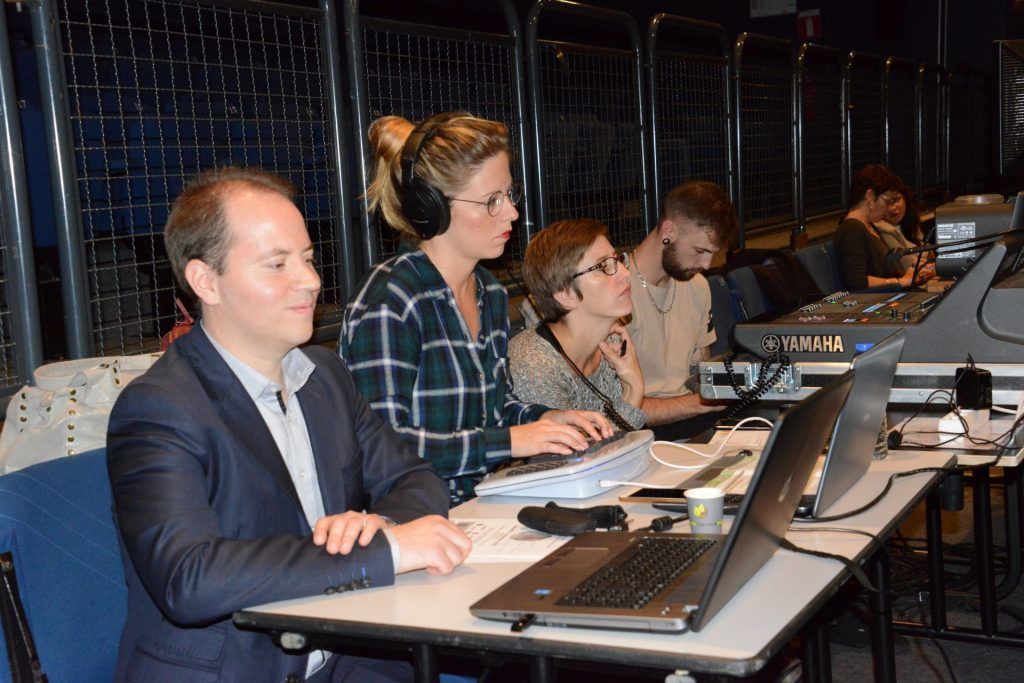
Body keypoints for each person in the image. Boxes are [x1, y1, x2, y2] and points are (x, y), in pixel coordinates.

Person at [107, 167, 471, 682]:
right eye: (276, 264)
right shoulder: (158, 408)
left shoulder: (323, 376)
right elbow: (189, 581)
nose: (310, 281)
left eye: (306, 258)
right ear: (205, 281)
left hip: (346, 656)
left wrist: (380, 524)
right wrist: (383, 552)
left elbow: (414, 479)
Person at [340, 112, 611, 504]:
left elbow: (492, 411)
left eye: (509, 195)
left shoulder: (490, 292)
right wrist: (510, 441)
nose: (512, 214)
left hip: (483, 506)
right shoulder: (390, 300)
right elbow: (381, 447)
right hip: (417, 519)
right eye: (491, 202)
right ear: (433, 207)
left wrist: (543, 419)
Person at [509, 218, 647, 432]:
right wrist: (634, 390)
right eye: (603, 266)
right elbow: (581, 459)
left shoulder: (612, 342)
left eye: (618, 260)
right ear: (566, 294)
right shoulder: (534, 365)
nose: (625, 273)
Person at [625, 181, 736, 435]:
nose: (707, 264)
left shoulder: (696, 285)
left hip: (691, 421)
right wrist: (699, 404)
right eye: (699, 251)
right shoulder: (615, 292)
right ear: (669, 230)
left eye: (713, 253)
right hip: (641, 432)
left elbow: (698, 368)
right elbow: (618, 409)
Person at [836, 165, 935, 290]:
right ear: (870, 196)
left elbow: (885, 272)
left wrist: (913, 275)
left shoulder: (869, 226)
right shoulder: (851, 230)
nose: (889, 208)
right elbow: (857, 281)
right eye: (887, 202)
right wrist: (901, 281)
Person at [876, 182, 930, 271]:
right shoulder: (882, 228)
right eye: (887, 203)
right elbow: (909, 266)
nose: (892, 208)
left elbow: (929, 252)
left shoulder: (910, 219)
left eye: (896, 200)